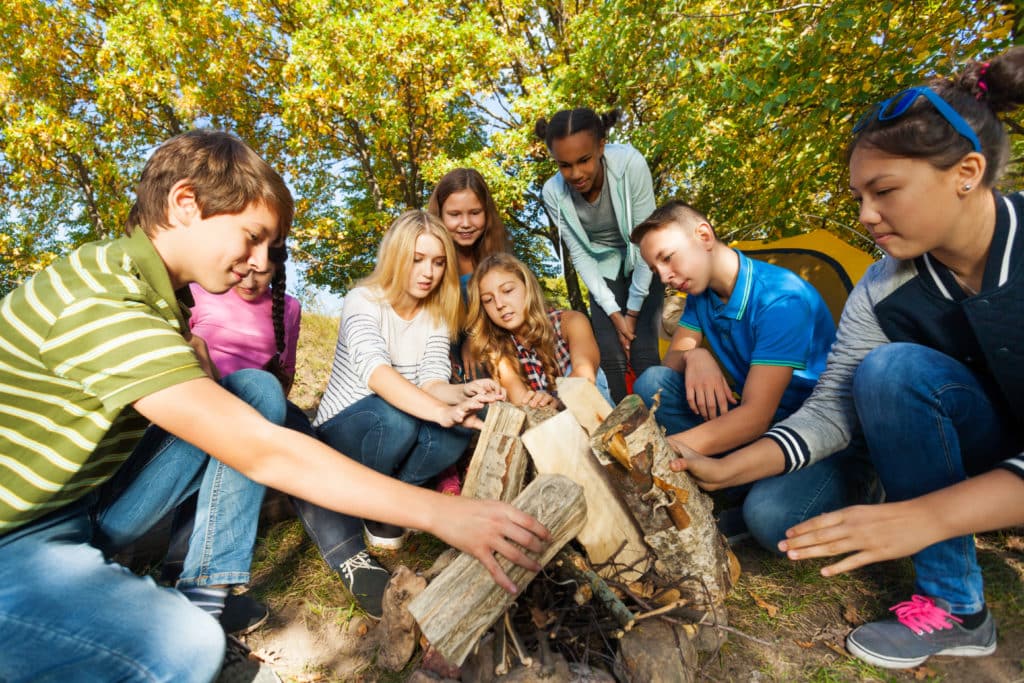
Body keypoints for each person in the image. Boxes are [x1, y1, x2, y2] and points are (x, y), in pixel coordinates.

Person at [0, 130, 549, 681]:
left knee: (257, 390)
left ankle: (206, 596)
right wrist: (442, 514)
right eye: (252, 237)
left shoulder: (155, 296)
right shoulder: (100, 298)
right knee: (179, 649)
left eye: (271, 247)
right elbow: (261, 452)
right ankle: (186, 629)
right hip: (15, 540)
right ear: (185, 204)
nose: (259, 262)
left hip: (77, 510)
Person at [675, 49, 1024, 670]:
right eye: (859, 195)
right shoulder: (882, 288)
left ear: (967, 171)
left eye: (884, 191)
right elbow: (834, 406)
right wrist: (728, 469)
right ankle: (957, 606)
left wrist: (924, 517)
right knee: (888, 373)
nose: (866, 216)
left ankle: (945, 576)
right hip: (977, 436)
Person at [629, 201, 875, 549]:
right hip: (763, 425)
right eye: (655, 268)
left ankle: (856, 486)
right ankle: (731, 480)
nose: (664, 275)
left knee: (769, 515)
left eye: (668, 258)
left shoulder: (780, 297)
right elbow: (669, 369)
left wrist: (662, 456)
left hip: (819, 440)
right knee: (653, 382)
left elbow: (755, 417)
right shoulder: (701, 295)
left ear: (703, 235)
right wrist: (696, 355)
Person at [312, 210, 513, 608]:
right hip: (347, 429)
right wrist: (439, 411)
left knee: (466, 423)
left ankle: (394, 505)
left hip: (399, 420)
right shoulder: (363, 300)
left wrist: (464, 393)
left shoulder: (435, 315)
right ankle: (369, 503)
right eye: (418, 259)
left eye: (439, 262)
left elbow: (432, 381)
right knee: (399, 418)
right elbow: (376, 374)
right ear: (396, 257)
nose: (429, 272)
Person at [537, 107, 663, 402]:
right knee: (610, 357)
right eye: (564, 165)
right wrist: (614, 314)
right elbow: (580, 255)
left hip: (642, 261)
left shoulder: (630, 164)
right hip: (602, 271)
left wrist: (632, 312)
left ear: (601, 146)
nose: (576, 174)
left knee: (643, 351)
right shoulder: (552, 193)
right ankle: (620, 435)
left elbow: (648, 241)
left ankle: (663, 433)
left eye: (584, 160)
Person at [466, 252, 613, 408]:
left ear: (527, 287)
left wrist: (557, 402)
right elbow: (524, 405)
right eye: (488, 300)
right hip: (551, 427)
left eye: (508, 290)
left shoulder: (571, 322)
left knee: (582, 376)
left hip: (593, 413)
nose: (499, 304)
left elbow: (585, 374)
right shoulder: (498, 350)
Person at [427, 167, 511, 302]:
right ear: (439, 216)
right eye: (454, 214)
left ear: (487, 213)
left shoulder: (504, 258)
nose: (466, 223)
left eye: (475, 213)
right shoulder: (423, 267)